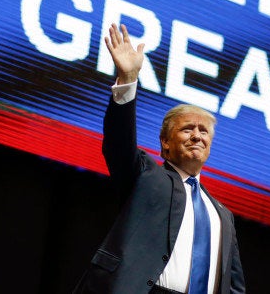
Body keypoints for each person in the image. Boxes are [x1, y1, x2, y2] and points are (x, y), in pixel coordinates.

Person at [73, 23, 246, 294]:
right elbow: (119, 142)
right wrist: (127, 79)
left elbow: (234, 286)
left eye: (204, 131)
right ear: (165, 142)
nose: (197, 136)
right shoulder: (146, 175)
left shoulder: (223, 215)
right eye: (188, 129)